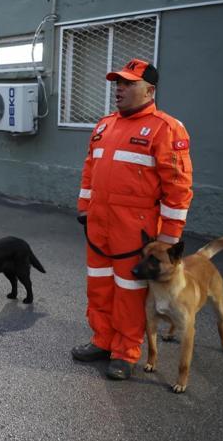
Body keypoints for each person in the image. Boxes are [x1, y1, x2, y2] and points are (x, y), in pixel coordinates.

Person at [72, 58, 193, 381]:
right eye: (118, 83)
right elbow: (90, 169)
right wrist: (84, 206)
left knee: (128, 289)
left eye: (128, 84)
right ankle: (102, 339)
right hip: (98, 222)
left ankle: (125, 352)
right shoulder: (104, 125)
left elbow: (178, 187)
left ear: (150, 90)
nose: (119, 89)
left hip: (135, 226)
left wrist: (168, 237)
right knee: (99, 285)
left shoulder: (166, 129)